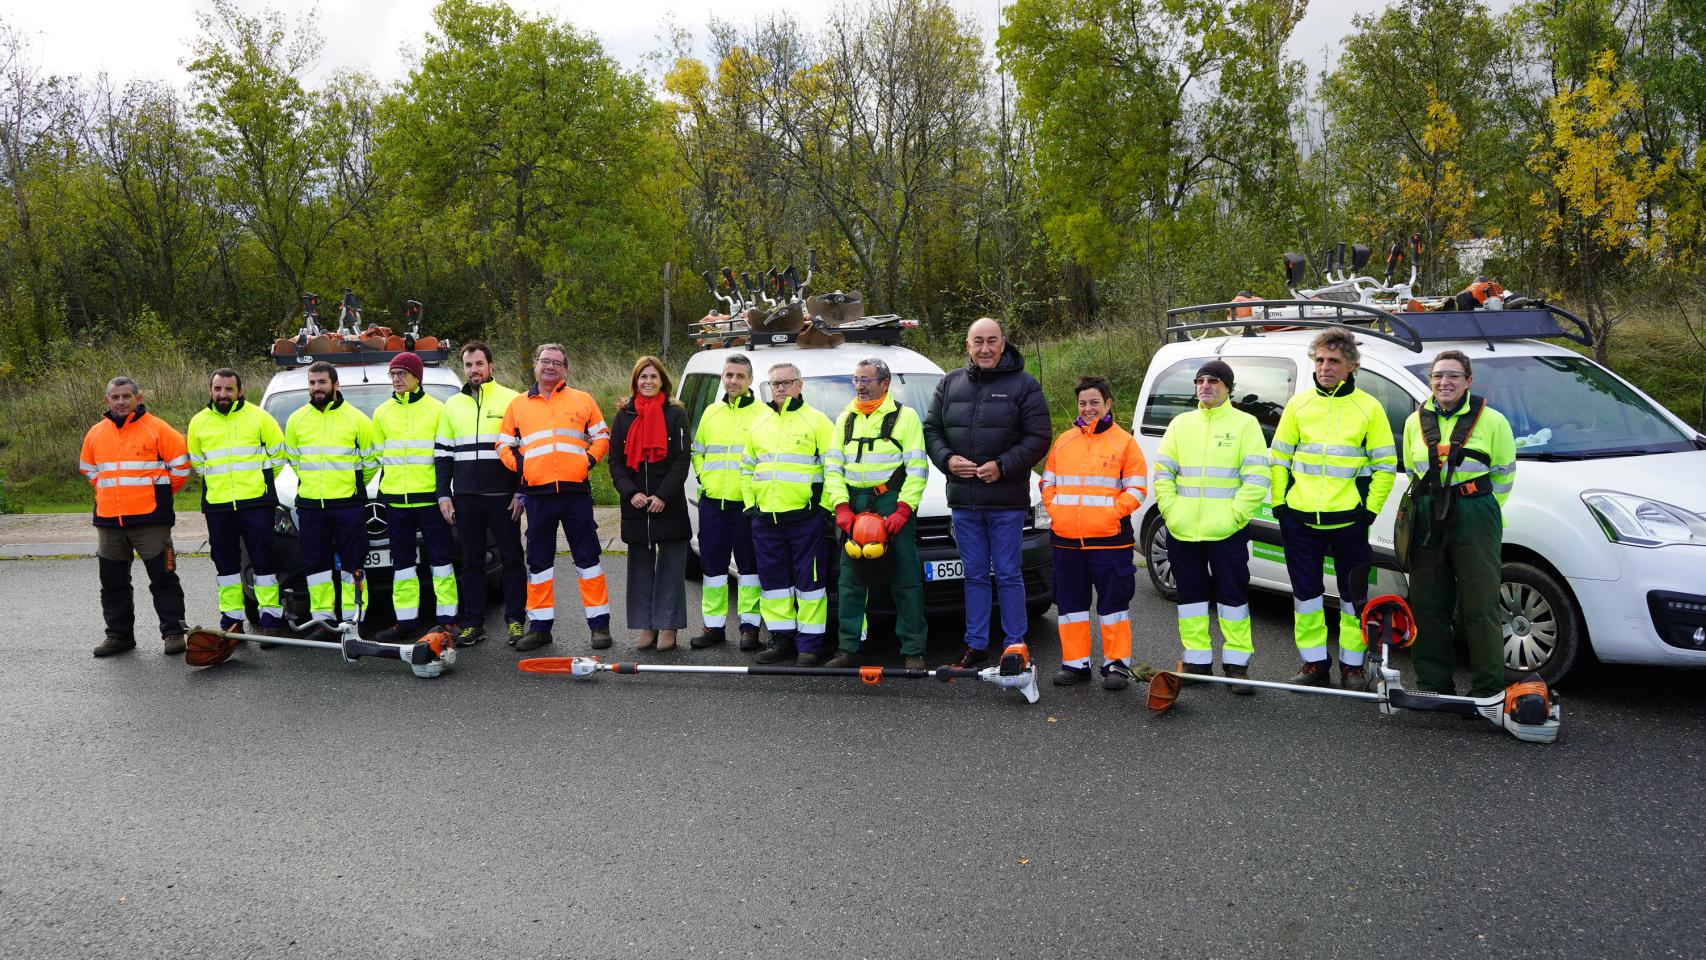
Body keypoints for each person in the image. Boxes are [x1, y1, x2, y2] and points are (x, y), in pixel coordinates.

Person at [1269, 327, 1398, 689]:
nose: (1325, 367)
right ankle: (1314, 663)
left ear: (1352, 365)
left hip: (1350, 521)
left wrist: (1368, 512)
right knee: (1306, 596)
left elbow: (1386, 465)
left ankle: (1352, 666)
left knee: (1352, 598)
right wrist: (1281, 504)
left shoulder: (1369, 408)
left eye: (1334, 361)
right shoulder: (1299, 404)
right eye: (1321, 360)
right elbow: (1279, 458)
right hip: (1301, 519)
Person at [923, 317, 1051, 668]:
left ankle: (1014, 645)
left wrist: (1004, 465)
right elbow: (931, 430)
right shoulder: (949, 384)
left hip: (1007, 501)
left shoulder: (1024, 385)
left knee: (1008, 574)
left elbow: (1039, 437)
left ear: (1003, 342)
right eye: (977, 341)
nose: (985, 348)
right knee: (975, 575)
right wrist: (948, 461)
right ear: (967, 345)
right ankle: (976, 645)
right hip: (964, 501)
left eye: (991, 341)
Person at [1401, 349, 1516, 698]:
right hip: (1427, 513)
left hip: (1475, 512)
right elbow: (1413, 470)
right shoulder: (1414, 422)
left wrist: (1477, 507)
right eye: (1437, 376)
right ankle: (1433, 684)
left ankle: (1488, 689)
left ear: (1468, 381)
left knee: (1480, 605)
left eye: (1452, 375)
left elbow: (1504, 475)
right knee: (1428, 601)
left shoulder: (1493, 421)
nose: (1444, 382)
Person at [1151, 359, 1269, 693]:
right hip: (1183, 529)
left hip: (1227, 532)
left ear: (1228, 387)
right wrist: (1172, 513)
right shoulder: (1180, 424)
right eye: (1200, 380)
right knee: (1190, 599)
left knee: (1233, 598)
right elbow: (1163, 475)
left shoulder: (1245, 425)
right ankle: (1197, 662)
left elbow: (1257, 479)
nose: (1205, 386)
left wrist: (1234, 517)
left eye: (1214, 381)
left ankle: (1236, 666)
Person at [498, 343, 612, 652]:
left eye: (557, 363)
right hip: (537, 496)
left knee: (588, 561)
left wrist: (587, 461)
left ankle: (599, 626)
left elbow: (602, 436)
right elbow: (503, 444)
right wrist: (522, 468)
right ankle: (539, 628)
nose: (550, 367)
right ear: (535, 365)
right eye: (545, 361)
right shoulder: (518, 405)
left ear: (565, 369)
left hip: (575, 494)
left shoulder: (583, 400)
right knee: (539, 564)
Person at [822, 357, 931, 670]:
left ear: (885, 383)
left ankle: (913, 650)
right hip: (854, 505)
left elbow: (918, 468)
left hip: (891, 502)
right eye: (856, 379)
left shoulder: (905, 417)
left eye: (866, 379)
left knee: (905, 578)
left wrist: (904, 509)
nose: (860, 385)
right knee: (850, 579)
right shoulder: (845, 419)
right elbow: (832, 468)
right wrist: (840, 506)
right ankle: (847, 649)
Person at [1039, 376, 1147, 689]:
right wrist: (1058, 512)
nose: (1088, 408)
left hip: (1110, 541)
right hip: (1067, 541)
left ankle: (1116, 667)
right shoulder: (1064, 441)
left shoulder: (1124, 442)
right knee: (1070, 605)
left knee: (1113, 605)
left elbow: (1138, 488)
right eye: (1083, 403)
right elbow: (1047, 483)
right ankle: (1075, 664)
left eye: (1094, 403)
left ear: (1108, 404)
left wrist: (1110, 513)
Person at [80, 376, 190, 657]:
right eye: (115, 397)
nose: (121, 402)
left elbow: (180, 468)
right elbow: (90, 471)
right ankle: (118, 636)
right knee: (113, 583)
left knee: (163, 578)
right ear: (106, 401)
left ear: (137, 399)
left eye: (126, 396)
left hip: (150, 520)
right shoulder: (95, 433)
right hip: (109, 521)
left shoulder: (158, 428)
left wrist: (158, 495)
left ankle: (174, 633)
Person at [741, 362, 837, 666]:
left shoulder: (818, 422)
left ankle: (809, 646)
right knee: (774, 585)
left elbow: (833, 468)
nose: (780, 388)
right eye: (775, 384)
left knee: (810, 585)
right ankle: (781, 641)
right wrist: (750, 506)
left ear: (800, 385)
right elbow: (746, 468)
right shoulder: (759, 422)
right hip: (766, 521)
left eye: (786, 382)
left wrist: (825, 509)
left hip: (805, 520)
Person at [435, 341, 526, 647]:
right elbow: (443, 454)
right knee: (471, 561)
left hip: (502, 495)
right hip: (465, 496)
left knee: (512, 558)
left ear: (491, 367)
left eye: (478, 364)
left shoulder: (511, 400)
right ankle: (474, 623)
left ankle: (515, 621)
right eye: (468, 365)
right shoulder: (452, 405)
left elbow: (523, 451)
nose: (473, 370)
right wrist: (443, 496)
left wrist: (520, 492)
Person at [186, 367, 286, 637]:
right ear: (210, 391)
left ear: (240, 391)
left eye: (229, 389)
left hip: (255, 503)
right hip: (218, 506)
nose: (223, 394)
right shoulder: (198, 422)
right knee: (226, 565)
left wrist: (260, 483)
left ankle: (270, 620)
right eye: (218, 389)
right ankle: (232, 620)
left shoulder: (259, 417)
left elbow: (278, 457)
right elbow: (198, 463)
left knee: (263, 562)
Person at [283, 360, 378, 636]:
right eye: (312, 383)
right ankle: (322, 619)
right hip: (311, 505)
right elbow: (294, 459)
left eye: (322, 382)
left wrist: (353, 486)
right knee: (316, 566)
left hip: (347, 504)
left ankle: (353, 619)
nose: (316, 388)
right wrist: (313, 485)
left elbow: (370, 461)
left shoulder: (357, 419)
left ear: (336, 385)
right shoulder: (296, 419)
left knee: (353, 564)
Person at [370, 352, 457, 642]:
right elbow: (379, 459)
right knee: (403, 565)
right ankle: (405, 621)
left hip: (430, 500)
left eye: (402, 374)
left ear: (417, 377)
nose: (396, 379)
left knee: (441, 562)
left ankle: (448, 620)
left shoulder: (438, 410)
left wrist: (445, 493)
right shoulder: (381, 413)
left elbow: (446, 456)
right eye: (393, 374)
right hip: (396, 503)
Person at [608, 356, 692, 652]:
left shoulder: (675, 414)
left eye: (653, 377)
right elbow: (615, 461)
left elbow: (682, 460)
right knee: (641, 568)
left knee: (670, 568)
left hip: (667, 504)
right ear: (635, 381)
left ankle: (668, 626)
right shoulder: (624, 415)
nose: (648, 382)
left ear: (662, 381)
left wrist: (662, 496)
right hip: (636, 505)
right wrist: (631, 492)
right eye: (643, 377)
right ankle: (647, 625)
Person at [689, 354, 766, 651]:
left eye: (739, 376)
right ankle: (713, 626)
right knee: (713, 569)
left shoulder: (762, 414)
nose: (733, 381)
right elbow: (698, 450)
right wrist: (704, 478)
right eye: (728, 375)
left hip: (746, 506)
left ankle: (749, 629)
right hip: (713, 504)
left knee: (749, 570)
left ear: (750, 380)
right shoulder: (711, 412)